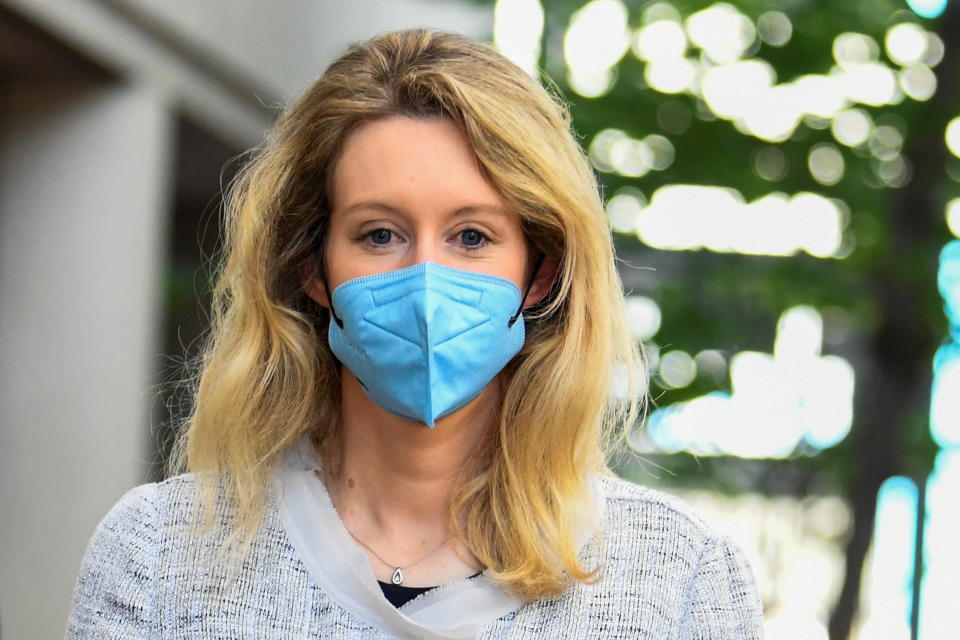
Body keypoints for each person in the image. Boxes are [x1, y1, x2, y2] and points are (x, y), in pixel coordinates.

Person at [65, 28, 764, 639]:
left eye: (471, 235)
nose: (426, 285)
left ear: (540, 274)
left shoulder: (678, 575)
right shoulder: (160, 553)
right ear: (313, 270)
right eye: (379, 234)